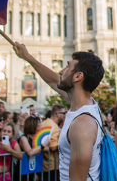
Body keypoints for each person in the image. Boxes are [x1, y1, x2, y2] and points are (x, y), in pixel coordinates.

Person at [13, 43, 105, 181]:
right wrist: (28, 57)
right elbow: (53, 79)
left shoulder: (82, 124)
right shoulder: (86, 104)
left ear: (78, 76)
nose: (61, 71)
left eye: (67, 66)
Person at [41, 104, 67, 181]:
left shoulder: (45, 122)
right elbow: (53, 147)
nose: (65, 115)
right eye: (64, 113)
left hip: (44, 164)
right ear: (58, 114)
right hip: (52, 165)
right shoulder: (54, 126)